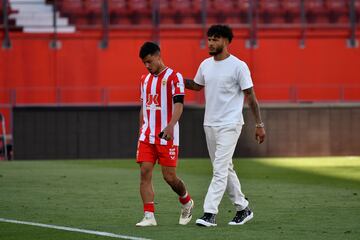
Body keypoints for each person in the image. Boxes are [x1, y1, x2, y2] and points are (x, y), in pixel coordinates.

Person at [185, 25, 266, 227]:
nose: (211, 43)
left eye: (215, 39)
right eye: (209, 39)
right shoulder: (205, 64)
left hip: (230, 124)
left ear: (226, 41)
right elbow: (196, 86)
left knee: (219, 170)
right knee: (224, 168)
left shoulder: (238, 66)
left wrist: (259, 124)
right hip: (210, 124)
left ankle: (209, 213)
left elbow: (251, 97)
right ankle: (243, 208)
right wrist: (175, 79)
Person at [135, 42, 194, 227]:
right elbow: (143, 108)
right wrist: (141, 130)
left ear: (158, 56)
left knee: (169, 177)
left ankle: (186, 201)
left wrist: (171, 125)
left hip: (167, 135)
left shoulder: (174, 77)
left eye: (149, 61)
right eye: (144, 63)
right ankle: (149, 216)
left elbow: (179, 104)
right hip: (147, 136)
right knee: (144, 172)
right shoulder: (145, 80)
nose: (147, 66)